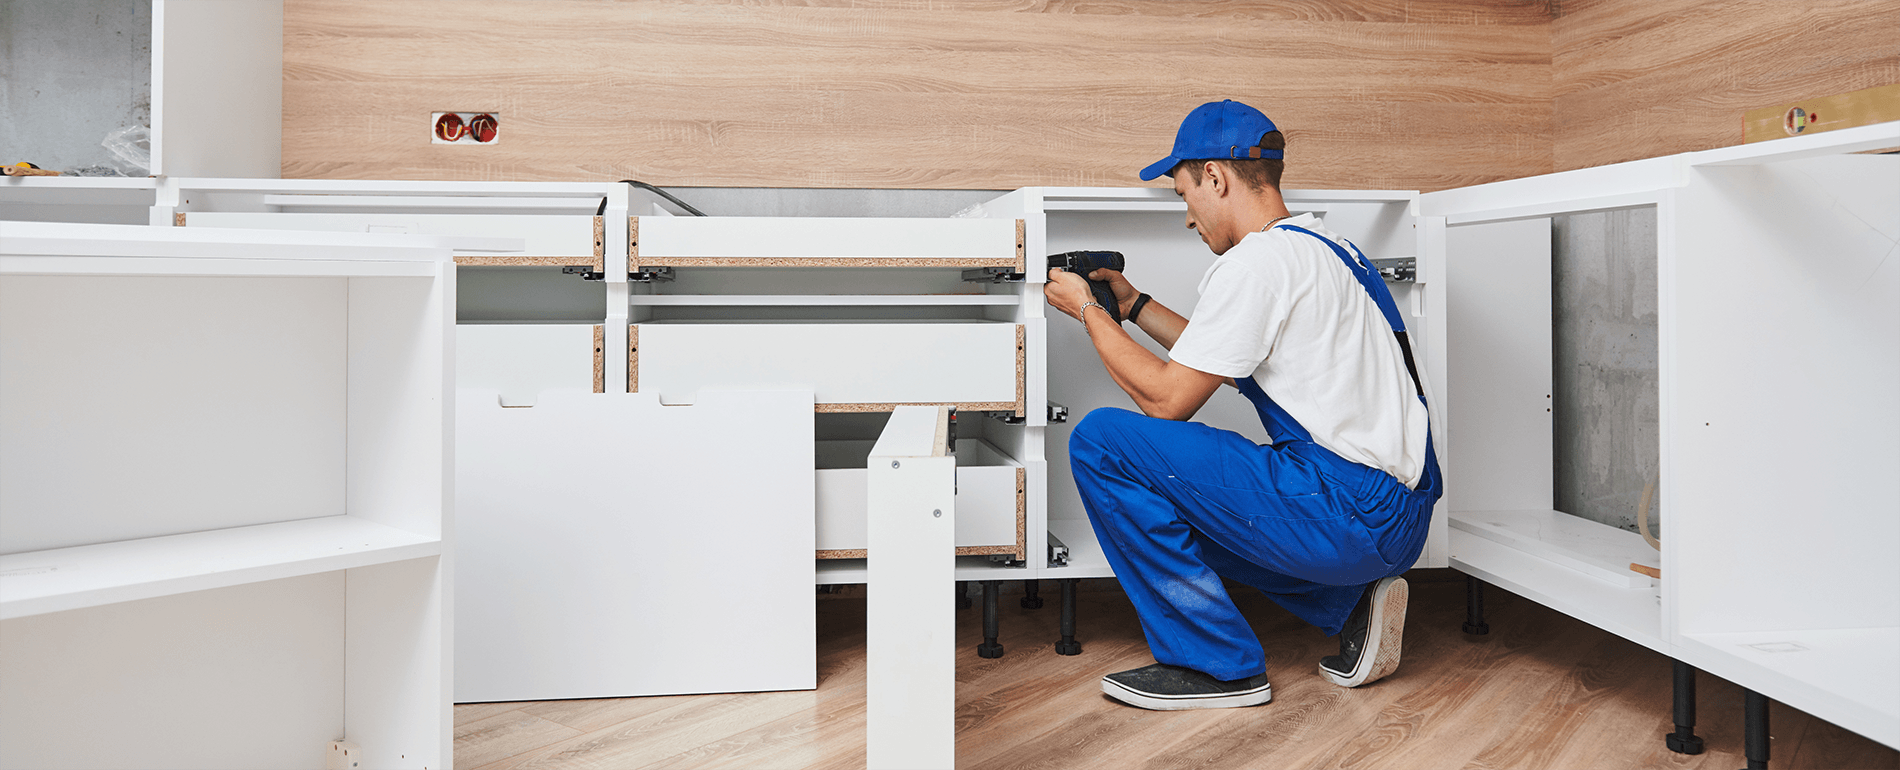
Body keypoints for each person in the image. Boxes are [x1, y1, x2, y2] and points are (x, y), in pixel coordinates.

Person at [1044, 99, 1441, 710]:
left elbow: (1168, 399)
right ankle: (1348, 602)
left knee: (1101, 443)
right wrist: (1133, 304)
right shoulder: (1325, 248)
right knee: (1174, 498)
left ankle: (1219, 667)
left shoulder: (1257, 263)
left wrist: (1087, 311)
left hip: (1349, 508)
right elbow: (1222, 359)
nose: (1187, 218)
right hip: (1398, 514)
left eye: (1183, 196)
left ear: (1215, 177)